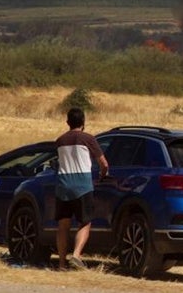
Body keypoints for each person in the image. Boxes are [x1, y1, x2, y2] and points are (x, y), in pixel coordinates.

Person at [55, 107, 108, 270]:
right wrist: (103, 174)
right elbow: (103, 163)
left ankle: (62, 263)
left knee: (63, 225)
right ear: (83, 122)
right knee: (85, 222)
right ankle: (76, 255)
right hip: (82, 186)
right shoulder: (88, 139)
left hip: (63, 185)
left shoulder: (60, 140)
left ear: (67, 122)